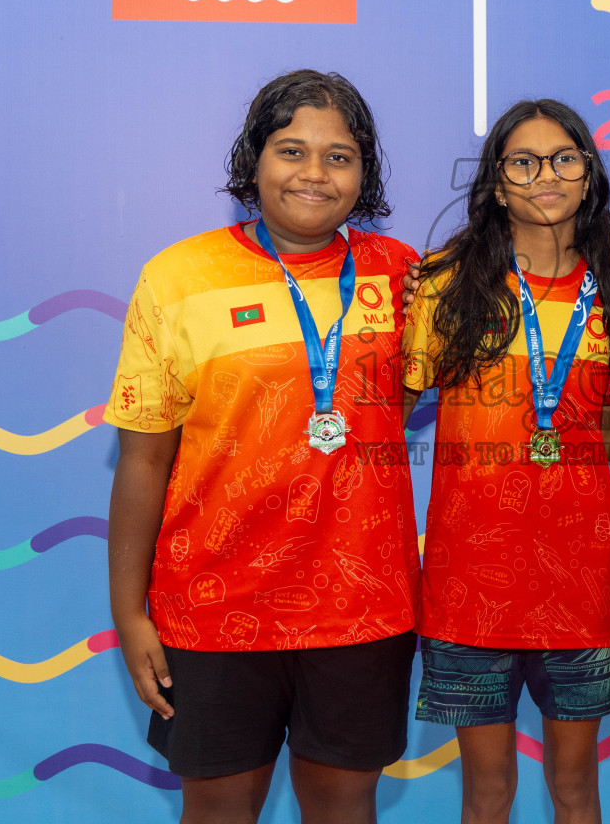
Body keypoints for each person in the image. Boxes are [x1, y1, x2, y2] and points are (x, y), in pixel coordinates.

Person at [105, 69, 421, 824]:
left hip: (361, 609)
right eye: (291, 150)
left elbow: (399, 401)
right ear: (254, 162)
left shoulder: (406, 274)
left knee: (345, 808)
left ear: (364, 174)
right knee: (219, 810)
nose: (314, 173)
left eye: (339, 156)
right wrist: (128, 613)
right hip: (214, 605)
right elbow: (143, 458)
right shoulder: (178, 278)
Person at [400, 99, 610, 824]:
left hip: (582, 585)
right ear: (497, 184)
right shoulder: (444, 284)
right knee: (488, 791)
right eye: (523, 162)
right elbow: (391, 413)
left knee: (574, 788)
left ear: (589, 176)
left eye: (565, 158)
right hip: (472, 585)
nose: (546, 175)